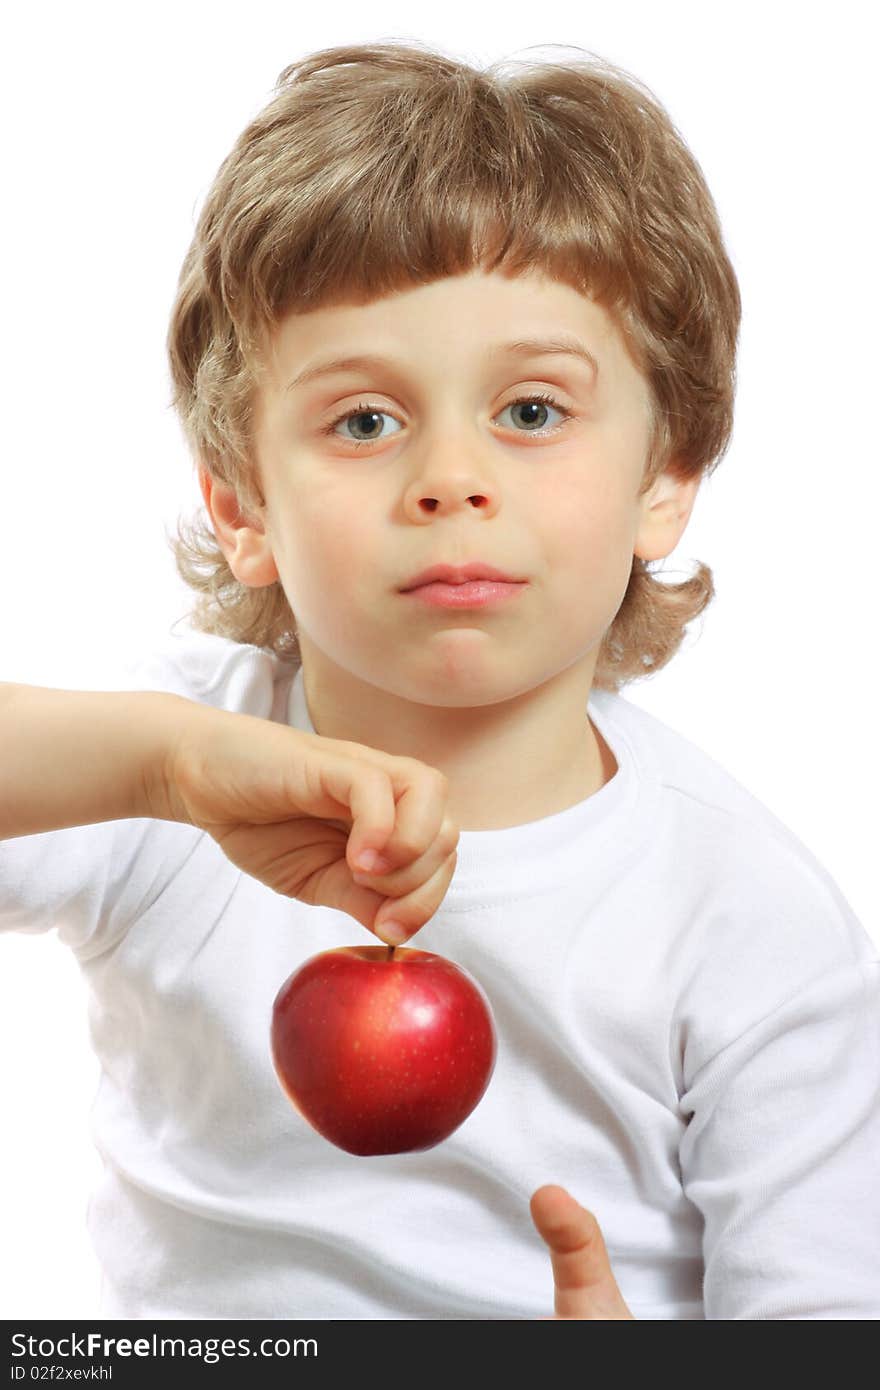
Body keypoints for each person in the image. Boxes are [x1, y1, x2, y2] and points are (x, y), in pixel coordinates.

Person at [2, 38, 878, 1322]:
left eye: (530, 411)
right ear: (243, 502)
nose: (449, 477)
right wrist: (158, 766)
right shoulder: (166, 762)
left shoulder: (746, 922)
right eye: (364, 419)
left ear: (664, 478)